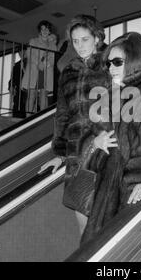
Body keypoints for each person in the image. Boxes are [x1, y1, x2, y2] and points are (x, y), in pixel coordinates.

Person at [81, 32, 141, 244]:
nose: (111, 68)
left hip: (129, 186)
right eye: (108, 63)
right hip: (108, 184)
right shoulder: (112, 93)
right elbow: (94, 134)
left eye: (117, 62)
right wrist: (95, 143)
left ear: (135, 60)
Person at [40, 14, 114, 236]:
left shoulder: (110, 66)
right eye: (75, 41)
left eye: (85, 39)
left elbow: (124, 107)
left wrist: (106, 135)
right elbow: (62, 114)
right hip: (76, 153)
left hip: (105, 148)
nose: (80, 45)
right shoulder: (68, 72)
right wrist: (60, 154)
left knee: (105, 223)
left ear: (97, 38)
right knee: (83, 223)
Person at [21, 20, 57, 114]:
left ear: (50, 31)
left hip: (46, 71)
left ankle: (41, 118)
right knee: (31, 94)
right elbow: (29, 54)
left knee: (44, 95)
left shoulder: (53, 45)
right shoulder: (33, 41)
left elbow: (53, 57)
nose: (45, 31)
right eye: (43, 29)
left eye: (47, 29)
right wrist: (38, 63)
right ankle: (28, 118)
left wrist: (47, 64)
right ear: (40, 31)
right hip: (34, 70)